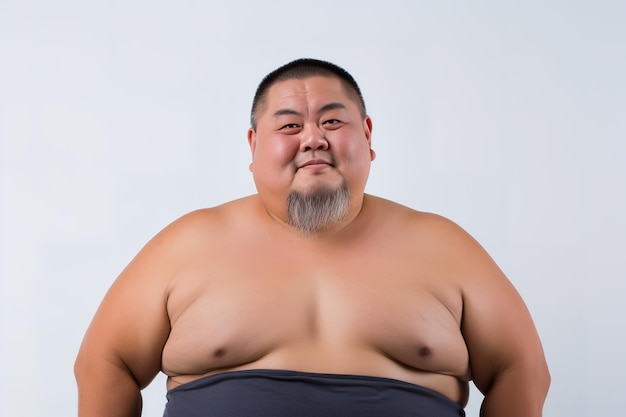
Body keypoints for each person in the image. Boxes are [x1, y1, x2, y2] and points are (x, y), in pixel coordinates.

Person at [74, 58, 550, 417]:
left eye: (332, 121)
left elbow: (521, 369)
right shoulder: (188, 243)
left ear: (366, 135)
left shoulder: (444, 245)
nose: (313, 138)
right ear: (253, 144)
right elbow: (104, 362)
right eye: (289, 125)